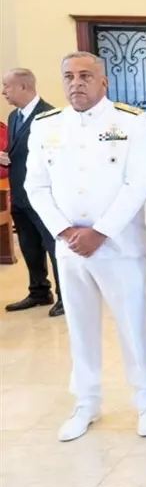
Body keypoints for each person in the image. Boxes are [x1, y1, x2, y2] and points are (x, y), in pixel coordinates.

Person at [25, 51, 146, 441]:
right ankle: (86, 400)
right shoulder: (47, 125)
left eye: (86, 76)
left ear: (104, 82)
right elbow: (35, 185)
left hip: (119, 245)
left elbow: (139, 183)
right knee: (80, 327)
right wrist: (65, 231)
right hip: (70, 247)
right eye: (69, 76)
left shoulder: (132, 121)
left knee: (133, 325)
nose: (76, 83)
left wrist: (100, 231)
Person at [1, 68, 63, 316]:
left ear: (24, 87)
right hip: (20, 194)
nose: (4, 91)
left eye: (7, 86)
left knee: (52, 245)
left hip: (44, 196)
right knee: (29, 245)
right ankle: (39, 291)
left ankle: (65, 297)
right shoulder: (14, 116)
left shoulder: (50, 115)